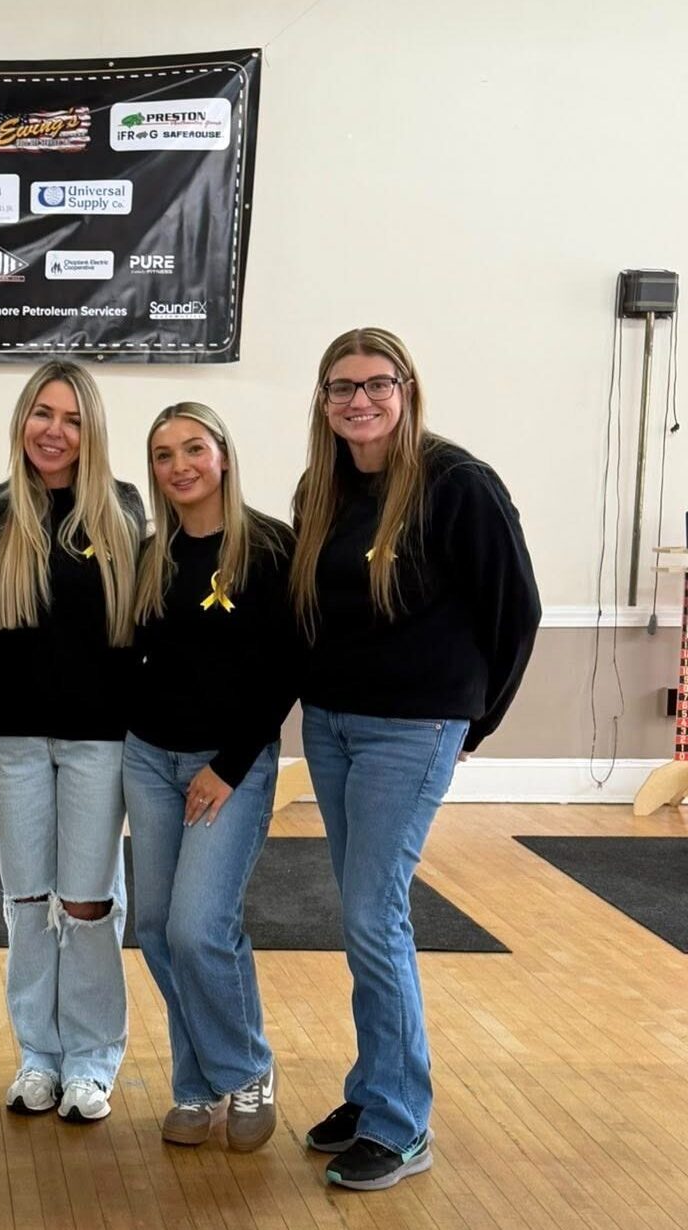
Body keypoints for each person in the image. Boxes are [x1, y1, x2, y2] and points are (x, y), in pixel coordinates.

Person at [292, 327, 540, 1190]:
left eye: (376, 384)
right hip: (332, 726)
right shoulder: (322, 488)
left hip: (412, 730)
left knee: (374, 917)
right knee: (363, 916)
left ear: (406, 390)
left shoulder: (457, 483)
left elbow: (517, 611)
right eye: (342, 387)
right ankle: (373, 1091)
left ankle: (401, 1125)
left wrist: (473, 724)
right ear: (324, 402)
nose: (359, 400)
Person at [0, 360, 144, 1123]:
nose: (55, 431)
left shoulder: (124, 510)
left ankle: (92, 1062)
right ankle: (38, 1056)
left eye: (72, 419)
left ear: (91, 430)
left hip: (98, 742)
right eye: (43, 413)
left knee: (87, 903)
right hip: (13, 740)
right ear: (23, 420)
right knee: (28, 899)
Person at [122, 402, 297, 1153]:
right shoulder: (151, 553)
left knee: (199, 929)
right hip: (148, 760)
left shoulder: (271, 547)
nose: (180, 466)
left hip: (230, 767)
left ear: (223, 454)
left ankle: (247, 1068)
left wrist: (227, 768)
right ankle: (196, 1084)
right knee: (156, 928)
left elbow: (287, 669)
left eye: (194, 448)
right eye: (164, 455)